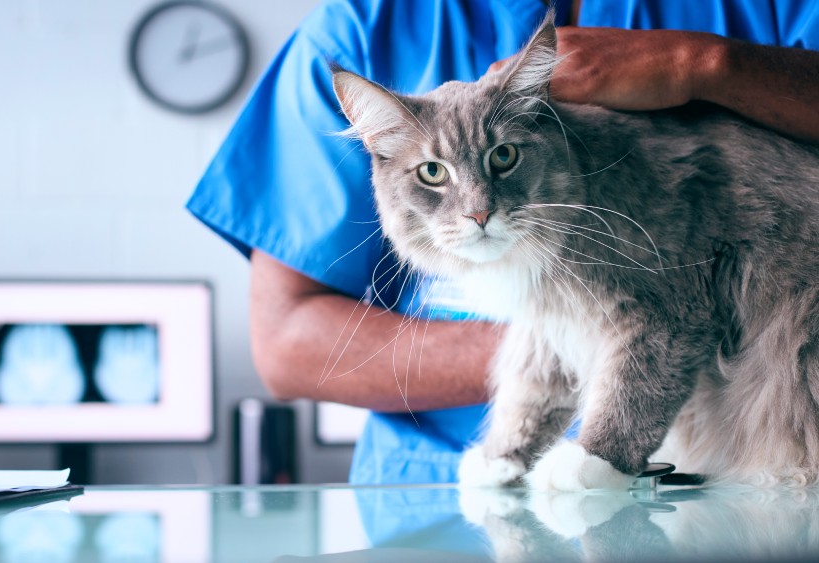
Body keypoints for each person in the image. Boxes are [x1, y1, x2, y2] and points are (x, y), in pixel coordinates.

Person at [186, 0, 819, 486]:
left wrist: (708, 64)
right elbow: (287, 344)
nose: (477, 207)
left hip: (759, 460)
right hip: (437, 494)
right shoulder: (365, 22)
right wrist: (575, 335)